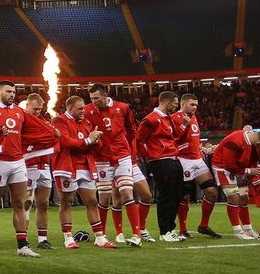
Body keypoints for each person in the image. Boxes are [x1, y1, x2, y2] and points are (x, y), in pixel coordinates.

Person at [0, 80, 38, 258]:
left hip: (18, 161)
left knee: (19, 203)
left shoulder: (19, 112)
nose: (12, 95)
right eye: (8, 91)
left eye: (13, 92)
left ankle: (22, 245)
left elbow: (32, 131)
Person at [84, 84, 145, 247]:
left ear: (105, 95)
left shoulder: (123, 108)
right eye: (91, 99)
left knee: (127, 193)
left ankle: (136, 235)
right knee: (104, 198)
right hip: (101, 159)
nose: (94, 102)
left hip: (122, 156)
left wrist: (128, 151)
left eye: (96, 98)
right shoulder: (87, 111)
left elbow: (131, 130)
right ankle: (101, 237)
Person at [51, 95, 112, 248]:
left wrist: (96, 140)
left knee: (92, 201)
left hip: (86, 166)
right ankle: (68, 237)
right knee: (67, 201)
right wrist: (88, 140)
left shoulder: (86, 123)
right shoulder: (59, 121)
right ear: (70, 108)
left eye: (84, 108)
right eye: (80, 108)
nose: (83, 111)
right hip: (67, 167)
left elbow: (96, 144)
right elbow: (65, 142)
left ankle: (99, 237)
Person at [136, 91, 184, 242]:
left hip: (173, 158)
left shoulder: (167, 118)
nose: (176, 107)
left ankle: (170, 228)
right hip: (160, 160)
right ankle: (164, 232)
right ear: (167, 103)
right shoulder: (151, 119)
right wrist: (150, 156)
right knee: (166, 194)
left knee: (177, 194)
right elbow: (139, 139)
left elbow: (173, 137)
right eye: (175, 104)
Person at [171, 94, 221, 238]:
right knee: (184, 195)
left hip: (197, 159)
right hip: (183, 159)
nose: (195, 107)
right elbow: (173, 139)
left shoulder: (193, 116)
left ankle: (203, 225)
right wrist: (184, 125)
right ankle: (183, 229)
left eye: (196, 105)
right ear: (183, 104)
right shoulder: (175, 117)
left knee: (212, 192)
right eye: (192, 104)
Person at [211, 127, 260, 239]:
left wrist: (250, 173)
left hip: (240, 168)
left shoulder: (253, 141)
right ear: (258, 142)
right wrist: (249, 171)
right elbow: (228, 165)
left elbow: (253, 160)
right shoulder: (235, 141)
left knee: (244, 197)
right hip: (223, 168)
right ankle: (237, 230)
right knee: (234, 197)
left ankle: (247, 228)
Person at [21, 94, 60, 249]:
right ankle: (23, 240)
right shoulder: (22, 121)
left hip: (44, 166)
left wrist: (55, 134)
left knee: (43, 204)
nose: (37, 111)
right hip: (28, 165)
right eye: (35, 108)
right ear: (27, 106)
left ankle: (42, 239)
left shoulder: (44, 122)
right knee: (26, 203)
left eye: (39, 109)